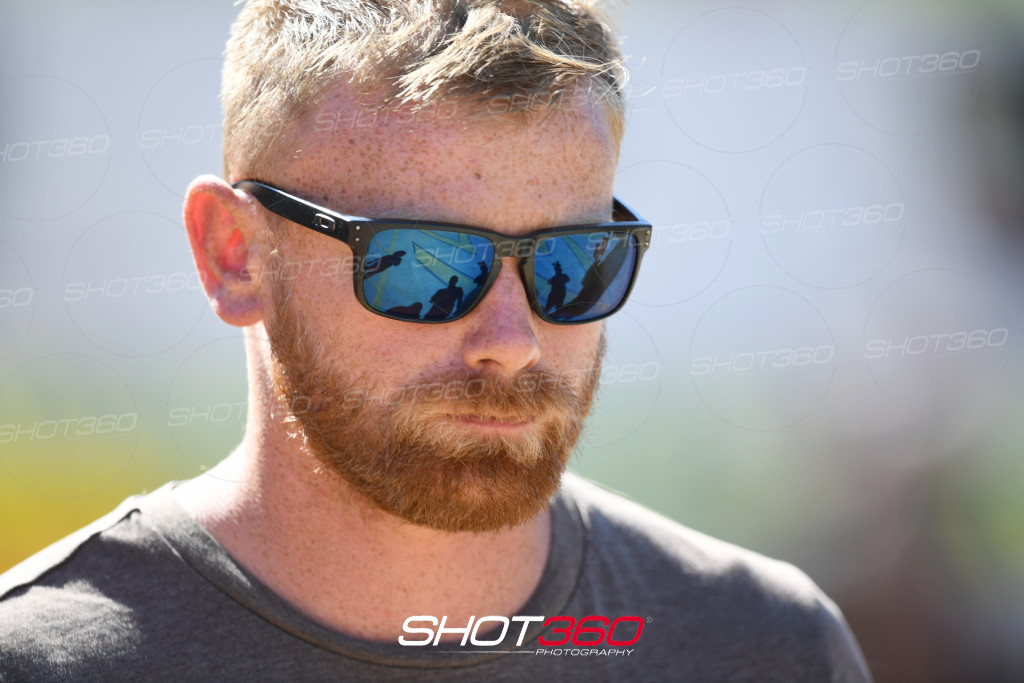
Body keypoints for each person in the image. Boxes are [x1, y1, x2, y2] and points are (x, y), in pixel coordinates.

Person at [0, 1, 872, 680]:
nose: (513, 342)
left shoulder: (765, 646)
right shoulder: (42, 660)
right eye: (424, 265)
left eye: (573, 264)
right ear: (235, 254)